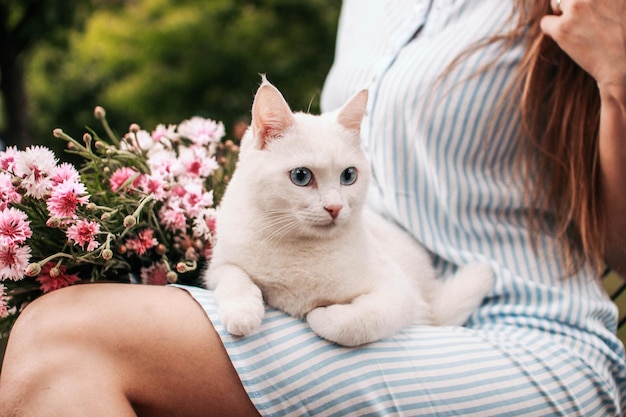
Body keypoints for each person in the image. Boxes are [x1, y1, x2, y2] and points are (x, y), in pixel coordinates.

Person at [1, 0, 625, 415]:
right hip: (353, 284)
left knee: (66, 337)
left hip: (525, 334)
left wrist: (620, 75)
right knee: (59, 330)